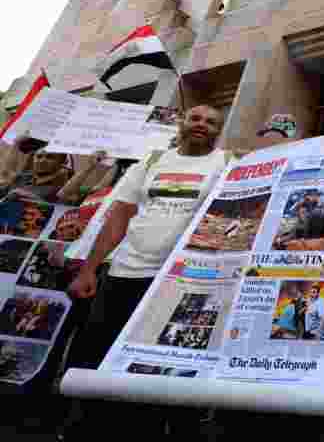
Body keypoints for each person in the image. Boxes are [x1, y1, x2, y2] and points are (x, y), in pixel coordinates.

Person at [63, 104, 231, 440]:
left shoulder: (227, 163)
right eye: (195, 118)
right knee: (96, 357)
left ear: (219, 131)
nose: (201, 124)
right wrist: (90, 269)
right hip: (126, 274)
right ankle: (84, 427)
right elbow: (119, 216)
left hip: (182, 282)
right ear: (182, 123)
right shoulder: (151, 161)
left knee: (160, 365)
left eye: (211, 122)